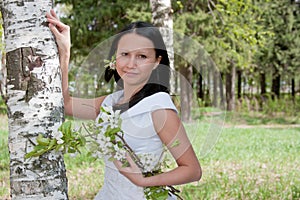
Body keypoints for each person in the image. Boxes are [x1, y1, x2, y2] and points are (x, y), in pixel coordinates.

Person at [46, 9, 201, 200]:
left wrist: (143, 181)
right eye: (125, 54)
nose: (131, 63)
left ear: (156, 61)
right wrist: (65, 51)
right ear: (114, 58)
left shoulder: (159, 108)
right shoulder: (110, 102)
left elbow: (192, 170)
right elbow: (67, 104)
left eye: (142, 56)